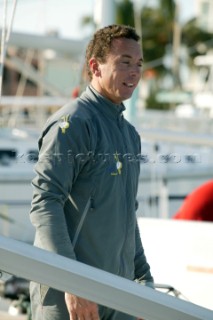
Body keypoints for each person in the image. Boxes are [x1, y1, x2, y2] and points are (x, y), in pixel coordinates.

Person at [29, 24, 154, 320]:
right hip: (70, 298)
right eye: (124, 63)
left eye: (138, 64)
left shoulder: (129, 135)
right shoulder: (73, 124)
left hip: (118, 294)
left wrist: (144, 279)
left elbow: (126, 214)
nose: (134, 72)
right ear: (95, 67)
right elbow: (45, 202)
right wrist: (73, 283)